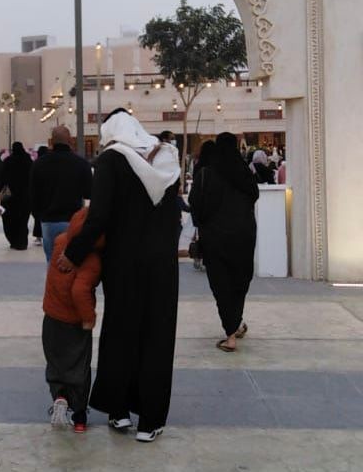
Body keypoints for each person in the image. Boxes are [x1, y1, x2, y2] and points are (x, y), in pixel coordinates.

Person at [57, 109, 181, 443]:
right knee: (157, 337)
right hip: (161, 266)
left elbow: (98, 217)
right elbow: (174, 216)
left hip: (123, 264)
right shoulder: (166, 157)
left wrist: (73, 254)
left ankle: (119, 410)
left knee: (121, 333)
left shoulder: (111, 160)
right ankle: (151, 421)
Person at [188, 132, 259, 353]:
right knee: (239, 280)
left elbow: (195, 204)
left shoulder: (207, 174)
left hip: (215, 238)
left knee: (221, 284)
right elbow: (254, 195)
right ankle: (235, 323)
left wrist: (203, 222)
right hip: (244, 235)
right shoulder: (243, 171)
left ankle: (230, 334)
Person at [43, 207, 103, 433]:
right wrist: (88, 318)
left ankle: (59, 398)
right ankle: (79, 418)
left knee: (56, 364)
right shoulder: (92, 259)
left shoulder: (60, 241)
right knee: (79, 367)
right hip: (74, 322)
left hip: (51, 316)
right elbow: (79, 291)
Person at [30, 126, 92, 262]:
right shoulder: (81, 163)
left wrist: (39, 215)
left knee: (52, 260)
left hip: (48, 220)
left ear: (52, 141)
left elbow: (33, 194)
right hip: (72, 219)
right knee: (71, 261)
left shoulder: (39, 164)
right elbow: (89, 193)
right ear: (70, 140)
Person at [0, 142, 33, 250]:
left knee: (9, 219)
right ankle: (22, 241)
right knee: (23, 219)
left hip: (9, 196)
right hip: (25, 195)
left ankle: (13, 240)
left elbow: (2, 179)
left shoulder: (8, 161)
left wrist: (1, 192)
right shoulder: (28, 161)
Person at [190, 140, 216, 271]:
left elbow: (195, 189)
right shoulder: (217, 167)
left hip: (201, 207)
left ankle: (200, 257)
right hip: (214, 207)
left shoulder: (198, 166)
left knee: (202, 234)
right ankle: (210, 259)